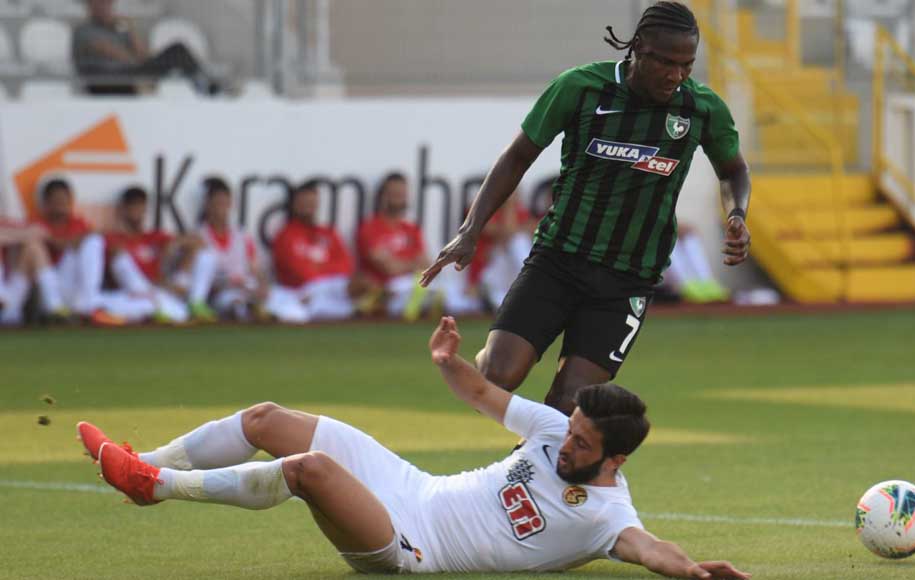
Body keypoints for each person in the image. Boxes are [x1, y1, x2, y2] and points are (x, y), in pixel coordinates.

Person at [79, 316, 751, 580]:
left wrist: (694, 572)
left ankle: (155, 487)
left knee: (309, 470)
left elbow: (650, 550)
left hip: (411, 547)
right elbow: (483, 394)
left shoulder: (607, 517)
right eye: (570, 429)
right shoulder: (553, 428)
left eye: (581, 442)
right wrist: (446, 363)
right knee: (266, 419)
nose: (565, 442)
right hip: (411, 485)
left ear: (616, 460)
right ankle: (146, 463)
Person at [421, 2, 752, 414]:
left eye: (687, 64)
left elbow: (733, 170)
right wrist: (470, 230)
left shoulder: (701, 108)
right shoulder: (581, 87)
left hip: (628, 279)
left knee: (568, 405)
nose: (676, 75)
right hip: (558, 260)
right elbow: (518, 156)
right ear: (638, 47)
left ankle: (533, 456)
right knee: (496, 377)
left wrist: (737, 214)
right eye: (666, 62)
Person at [357, 173, 479, 320]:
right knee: (420, 291)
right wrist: (412, 264)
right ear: (382, 196)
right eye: (394, 194)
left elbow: (426, 264)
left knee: (449, 288)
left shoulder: (411, 229)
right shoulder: (370, 228)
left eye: (402, 194)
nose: (399, 199)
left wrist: (405, 265)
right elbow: (389, 268)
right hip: (387, 288)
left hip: (414, 282)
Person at [105, 186, 217, 323]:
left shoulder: (154, 237)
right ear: (123, 209)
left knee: (206, 256)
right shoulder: (114, 239)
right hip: (136, 293)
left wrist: (174, 245)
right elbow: (118, 271)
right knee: (121, 261)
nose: (137, 211)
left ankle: (195, 304)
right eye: (133, 206)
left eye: (141, 206)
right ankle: (146, 308)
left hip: (162, 290)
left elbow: (199, 243)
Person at [267, 180, 372, 323]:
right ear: (294, 205)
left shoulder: (328, 233)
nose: (307, 207)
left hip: (334, 286)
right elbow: (299, 272)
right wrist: (326, 269)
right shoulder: (285, 235)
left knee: (362, 283)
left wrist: (319, 268)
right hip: (304, 289)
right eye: (303, 202)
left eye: (311, 202)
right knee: (301, 309)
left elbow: (346, 266)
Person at [72, 0, 219, 96]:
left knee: (178, 50)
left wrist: (130, 28)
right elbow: (120, 55)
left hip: (128, 74)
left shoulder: (118, 30)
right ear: (90, 6)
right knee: (177, 52)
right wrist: (147, 65)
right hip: (106, 80)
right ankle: (208, 87)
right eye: (101, 4)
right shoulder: (84, 31)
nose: (106, 8)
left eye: (109, 4)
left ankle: (207, 86)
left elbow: (143, 55)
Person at [32, 178, 118, 324]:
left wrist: (80, 239)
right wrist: (75, 240)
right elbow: (58, 245)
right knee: (89, 240)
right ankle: (58, 310)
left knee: (94, 241)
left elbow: (96, 238)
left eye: (64, 199)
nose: (61, 204)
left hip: (74, 288)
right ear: (46, 202)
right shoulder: (38, 223)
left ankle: (88, 304)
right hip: (50, 287)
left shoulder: (78, 222)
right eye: (57, 200)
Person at [197, 177, 269, 320]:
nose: (221, 209)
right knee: (233, 302)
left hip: (247, 288)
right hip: (221, 292)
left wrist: (262, 287)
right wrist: (226, 285)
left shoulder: (242, 236)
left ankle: (253, 309)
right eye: (217, 203)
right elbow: (201, 281)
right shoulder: (199, 237)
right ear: (207, 205)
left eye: (225, 203)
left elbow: (256, 269)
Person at [466, 192, 535, 310]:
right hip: (486, 276)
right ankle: (529, 281)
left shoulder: (519, 211)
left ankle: (530, 282)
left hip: (510, 276)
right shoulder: (481, 208)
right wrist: (509, 205)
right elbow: (502, 231)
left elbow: (530, 229)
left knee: (519, 241)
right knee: (517, 241)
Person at [0, 219, 53, 325]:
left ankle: (55, 307)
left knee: (34, 247)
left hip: (11, 290)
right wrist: (24, 235)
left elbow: (42, 231)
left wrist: (13, 236)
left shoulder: (8, 222)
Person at [663, 224, 729, 304]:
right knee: (666, 237)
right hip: (681, 284)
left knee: (689, 237)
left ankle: (706, 281)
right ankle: (686, 285)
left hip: (702, 282)